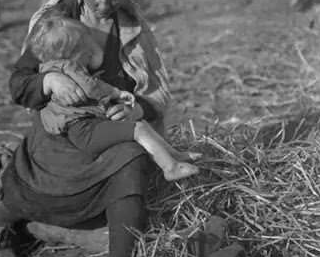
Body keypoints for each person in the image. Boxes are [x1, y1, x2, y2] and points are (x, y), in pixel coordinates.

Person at [0, 0, 182, 257]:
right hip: (59, 131)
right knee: (31, 195)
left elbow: (154, 94)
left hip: (103, 126)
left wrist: (136, 109)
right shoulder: (57, 20)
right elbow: (18, 84)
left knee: (132, 157)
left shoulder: (132, 29)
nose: (104, 5)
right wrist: (48, 83)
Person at [26, 14, 200, 181]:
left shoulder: (48, 69)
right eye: (86, 51)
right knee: (138, 129)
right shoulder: (69, 67)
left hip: (85, 125)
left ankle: (172, 155)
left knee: (141, 125)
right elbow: (91, 87)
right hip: (84, 130)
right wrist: (117, 93)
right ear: (74, 54)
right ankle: (170, 169)